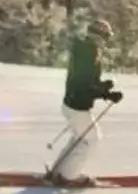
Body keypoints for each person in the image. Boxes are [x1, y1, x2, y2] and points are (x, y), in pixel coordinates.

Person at [52, 14, 122, 184]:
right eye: (106, 37)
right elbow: (85, 86)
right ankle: (68, 177)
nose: (106, 41)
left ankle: (59, 172)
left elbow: (87, 82)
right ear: (99, 36)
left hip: (73, 103)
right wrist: (106, 94)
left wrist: (104, 87)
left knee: (79, 139)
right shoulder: (88, 53)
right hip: (77, 106)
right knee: (92, 140)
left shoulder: (86, 50)